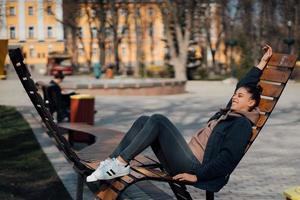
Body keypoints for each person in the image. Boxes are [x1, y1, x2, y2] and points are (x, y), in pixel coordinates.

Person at [86, 45, 273, 192]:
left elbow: (227, 160)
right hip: (183, 159)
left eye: (240, 96)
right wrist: (262, 62)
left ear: (251, 103)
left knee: (158, 120)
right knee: (145, 120)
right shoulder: (230, 113)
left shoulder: (241, 125)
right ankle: (112, 162)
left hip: (193, 167)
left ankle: (119, 164)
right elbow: (244, 85)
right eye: (235, 94)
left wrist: (197, 176)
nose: (235, 96)